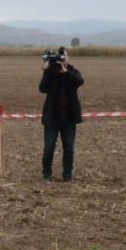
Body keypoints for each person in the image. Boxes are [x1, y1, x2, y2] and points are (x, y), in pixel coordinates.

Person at [38, 47, 84, 181]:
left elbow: (79, 81)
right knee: (49, 148)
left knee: (69, 148)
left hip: (69, 119)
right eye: (60, 58)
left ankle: (67, 176)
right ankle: (46, 174)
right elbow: (43, 88)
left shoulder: (73, 72)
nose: (61, 61)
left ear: (68, 59)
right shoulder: (51, 72)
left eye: (64, 58)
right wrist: (46, 71)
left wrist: (66, 71)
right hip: (52, 118)